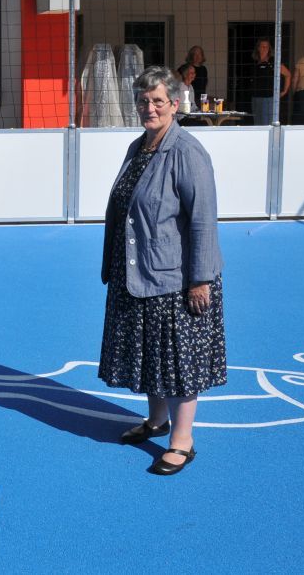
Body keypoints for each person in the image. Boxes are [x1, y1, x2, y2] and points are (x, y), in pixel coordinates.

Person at [99, 66, 226, 476]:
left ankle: (182, 442)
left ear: (175, 104)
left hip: (176, 277)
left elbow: (204, 220)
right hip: (136, 271)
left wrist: (200, 280)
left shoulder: (187, 152)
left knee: (176, 361)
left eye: (158, 101)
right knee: (149, 354)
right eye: (143, 101)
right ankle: (156, 421)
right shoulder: (139, 146)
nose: (149, 108)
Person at [245, 39, 291, 123]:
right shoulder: (255, 62)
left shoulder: (273, 62)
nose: (264, 49)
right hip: (255, 97)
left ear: (269, 49)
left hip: (269, 98)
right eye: (262, 46)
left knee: (267, 123)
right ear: (258, 48)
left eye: (266, 47)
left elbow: (287, 74)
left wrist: (284, 91)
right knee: (257, 122)